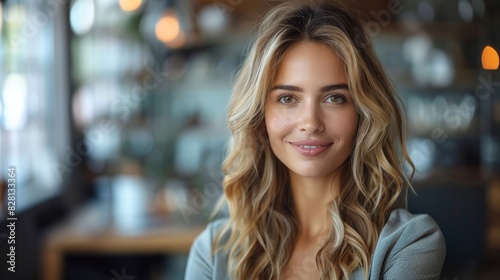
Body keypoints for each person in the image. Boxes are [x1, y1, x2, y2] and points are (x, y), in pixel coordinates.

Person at [185, 1, 446, 279]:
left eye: (335, 98)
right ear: (260, 115)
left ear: (363, 113)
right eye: (287, 98)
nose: (311, 122)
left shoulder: (408, 244)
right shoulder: (213, 251)